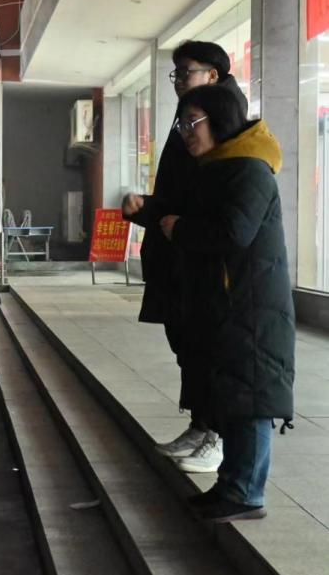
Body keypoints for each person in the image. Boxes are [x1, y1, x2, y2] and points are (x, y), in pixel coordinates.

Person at [145, 84, 294, 523]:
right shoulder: (218, 168)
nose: (186, 132)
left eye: (193, 122)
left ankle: (246, 493)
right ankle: (231, 485)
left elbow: (233, 233)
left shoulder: (249, 169)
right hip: (227, 304)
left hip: (250, 306)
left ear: (221, 120)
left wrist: (179, 229)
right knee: (231, 396)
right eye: (182, 123)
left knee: (249, 400)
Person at [122, 41, 249, 474]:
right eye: (174, 73)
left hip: (200, 257)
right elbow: (180, 194)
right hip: (179, 250)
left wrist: (172, 220)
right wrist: (149, 210)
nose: (178, 80)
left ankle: (217, 434)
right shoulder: (191, 113)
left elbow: (209, 203)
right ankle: (201, 425)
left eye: (185, 71)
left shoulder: (222, 117)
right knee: (189, 347)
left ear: (212, 75)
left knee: (209, 349)